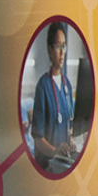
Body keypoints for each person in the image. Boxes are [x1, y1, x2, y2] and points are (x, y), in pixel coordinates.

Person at [29, 23, 76, 171]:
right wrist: (55, 151)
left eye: (64, 46)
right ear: (50, 50)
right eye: (57, 46)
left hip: (62, 162)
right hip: (47, 165)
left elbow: (68, 126)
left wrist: (70, 142)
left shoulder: (67, 84)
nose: (62, 53)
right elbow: (38, 140)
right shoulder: (42, 86)